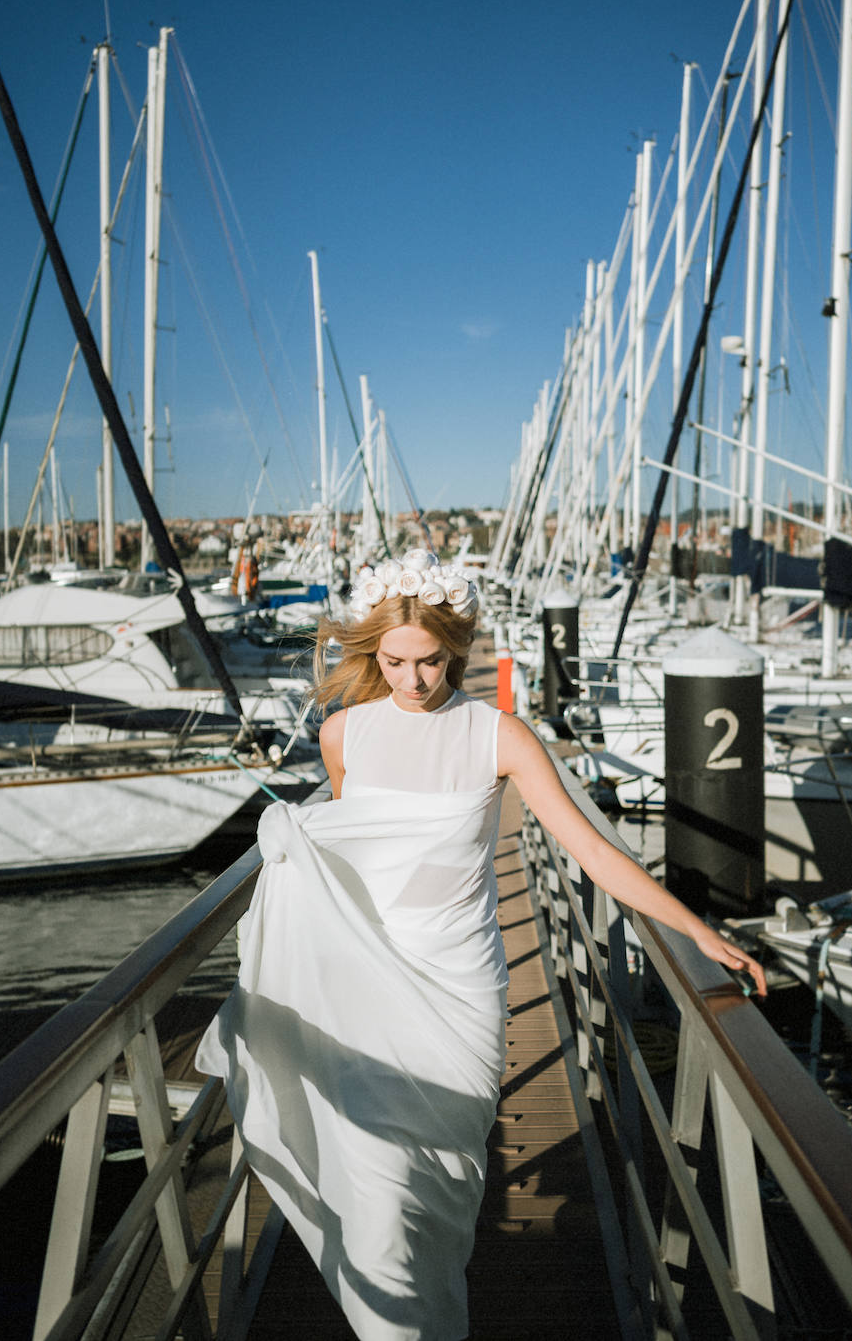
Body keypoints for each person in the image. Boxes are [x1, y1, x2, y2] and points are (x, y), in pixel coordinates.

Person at [196, 550, 765, 1341]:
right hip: (368, 984)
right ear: (373, 654)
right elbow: (350, 853)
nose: (413, 680)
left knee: (443, 1184)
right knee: (380, 1187)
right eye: (393, 661)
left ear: (455, 649)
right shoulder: (343, 733)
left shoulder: (501, 736)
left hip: (461, 992)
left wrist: (699, 929)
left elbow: (594, 855)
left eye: (429, 661)